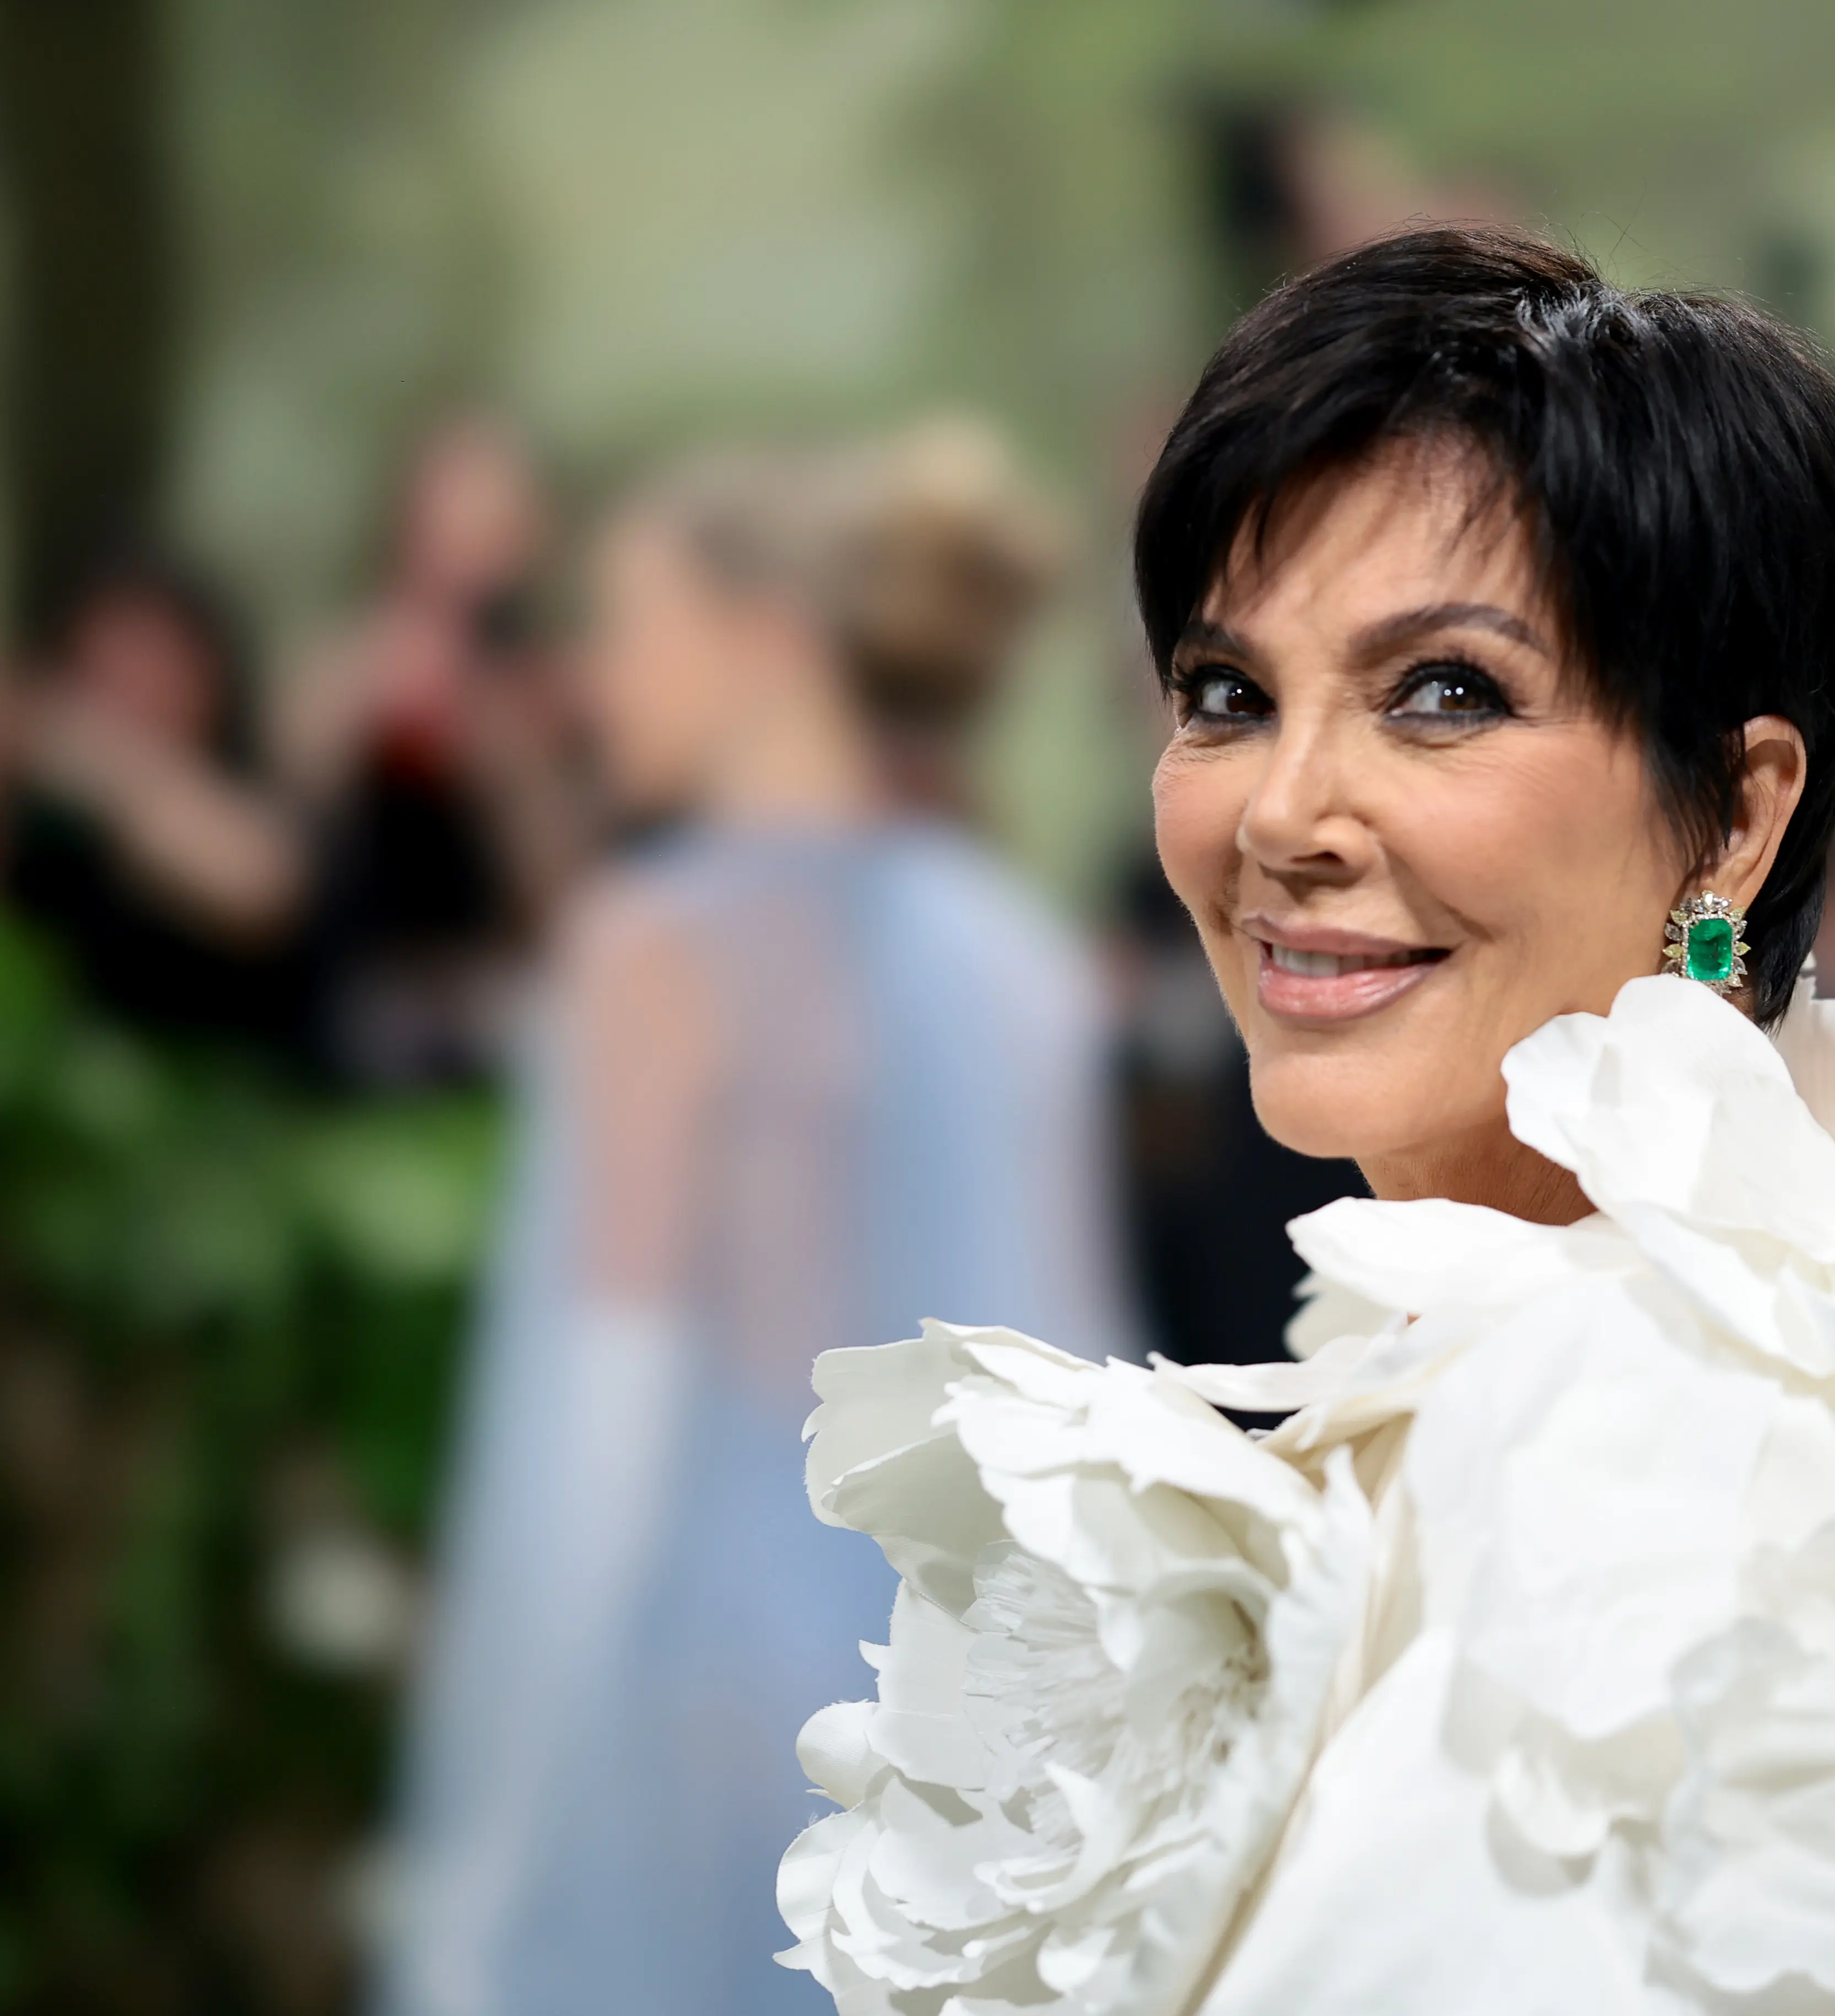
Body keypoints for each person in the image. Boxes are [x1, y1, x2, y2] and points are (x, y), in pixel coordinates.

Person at [775, 229, 1835, 2015]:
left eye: (1441, 690)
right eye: (1226, 694)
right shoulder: (1820, 1307)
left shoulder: (1637, 1443)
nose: (1281, 811)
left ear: (1735, 817)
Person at [378, 423, 1138, 2016]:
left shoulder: (652, 952)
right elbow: (1088, 1373)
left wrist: (484, 1851)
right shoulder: (1015, 956)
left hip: (712, 1710)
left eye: (630, 627)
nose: (595, 681)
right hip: (979, 1714)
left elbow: (599, 1429)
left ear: (764, 643)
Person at [282, 414, 596, 1086]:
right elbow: (291, 839)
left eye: (496, 512)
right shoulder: (344, 660)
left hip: (497, 1004)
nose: (469, 534)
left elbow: (568, 905)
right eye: (449, 503)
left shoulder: (553, 687)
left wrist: (509, 759)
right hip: (350, 999)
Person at [1, 543, 310, 1052]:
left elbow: (264, 890)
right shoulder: (42, 805)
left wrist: (72, 740)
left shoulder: (245, 816)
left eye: (160, 663)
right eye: (115, 655)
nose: (134, 684)